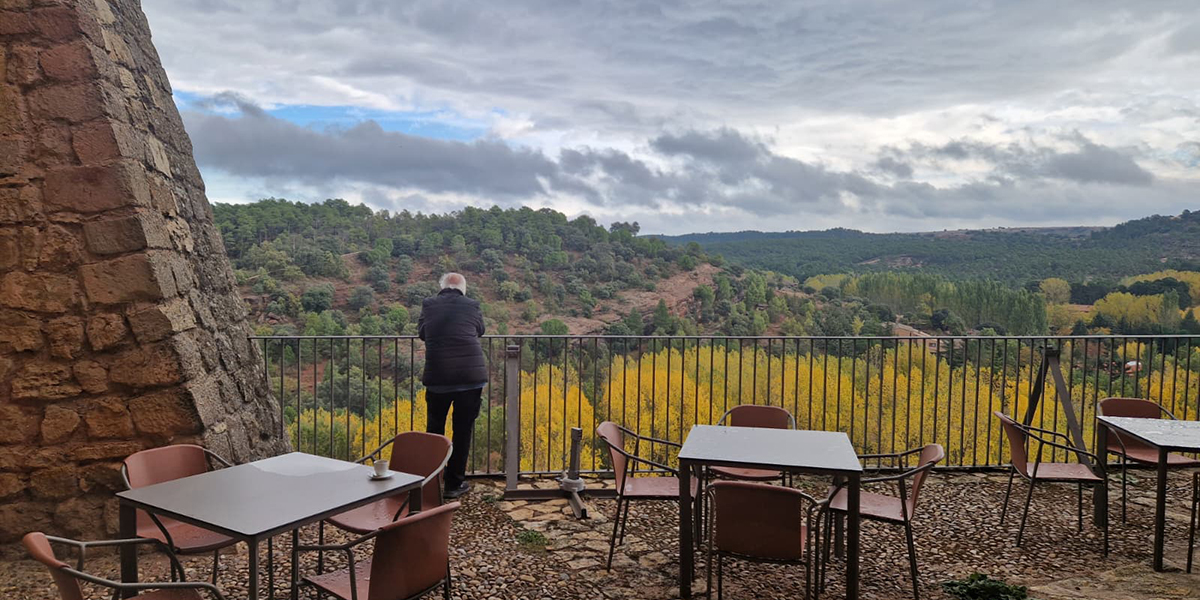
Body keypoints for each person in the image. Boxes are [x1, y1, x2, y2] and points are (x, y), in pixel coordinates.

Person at [419, 272, 487, 499]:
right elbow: (480, 329)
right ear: (463, 289)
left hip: (438, 376)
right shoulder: (472, 305)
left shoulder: (429, 305)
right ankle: (453, 484)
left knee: (435, 430)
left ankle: (432, 482)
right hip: (470, 377)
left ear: (442, 287)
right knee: (463, 430)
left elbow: (423, 333)